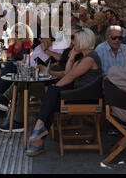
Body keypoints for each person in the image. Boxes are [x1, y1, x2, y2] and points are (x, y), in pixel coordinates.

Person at [26, 28, 102, 156]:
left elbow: (70, 76)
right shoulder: (83, 57)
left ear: (83, 41)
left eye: (75, 40)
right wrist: (71, 57)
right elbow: (67, 73)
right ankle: (39, 134)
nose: (72, 43)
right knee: (50, 103)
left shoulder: (90, 58)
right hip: (79, 93)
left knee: (52, 93)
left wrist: (55, 87)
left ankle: (38, 132)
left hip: (87, 97)